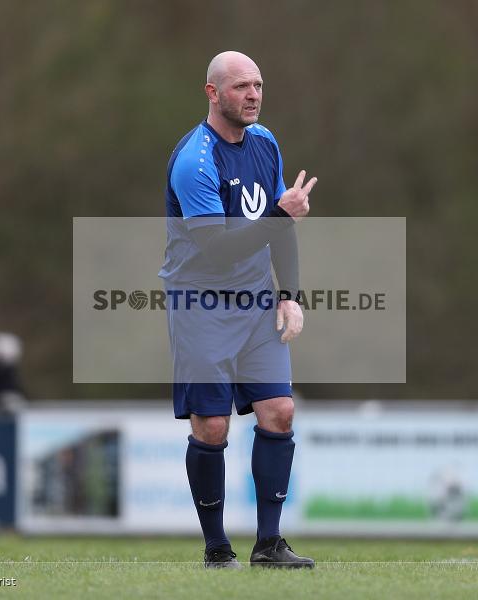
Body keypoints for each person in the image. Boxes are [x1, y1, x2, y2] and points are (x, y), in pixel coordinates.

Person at [158, 51, 317, 569]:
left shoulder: (265, 142)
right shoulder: (194, 161)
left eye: (258, 85)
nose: (253, 95)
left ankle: (269, 544)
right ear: (212, 93)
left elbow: (279, 228)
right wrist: (280, 212)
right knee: (212, 427)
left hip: (254, 307)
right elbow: (219, 250)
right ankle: (215, 547)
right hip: (201, 306)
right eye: (241, 86)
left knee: (280, 411)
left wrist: (289, 293)